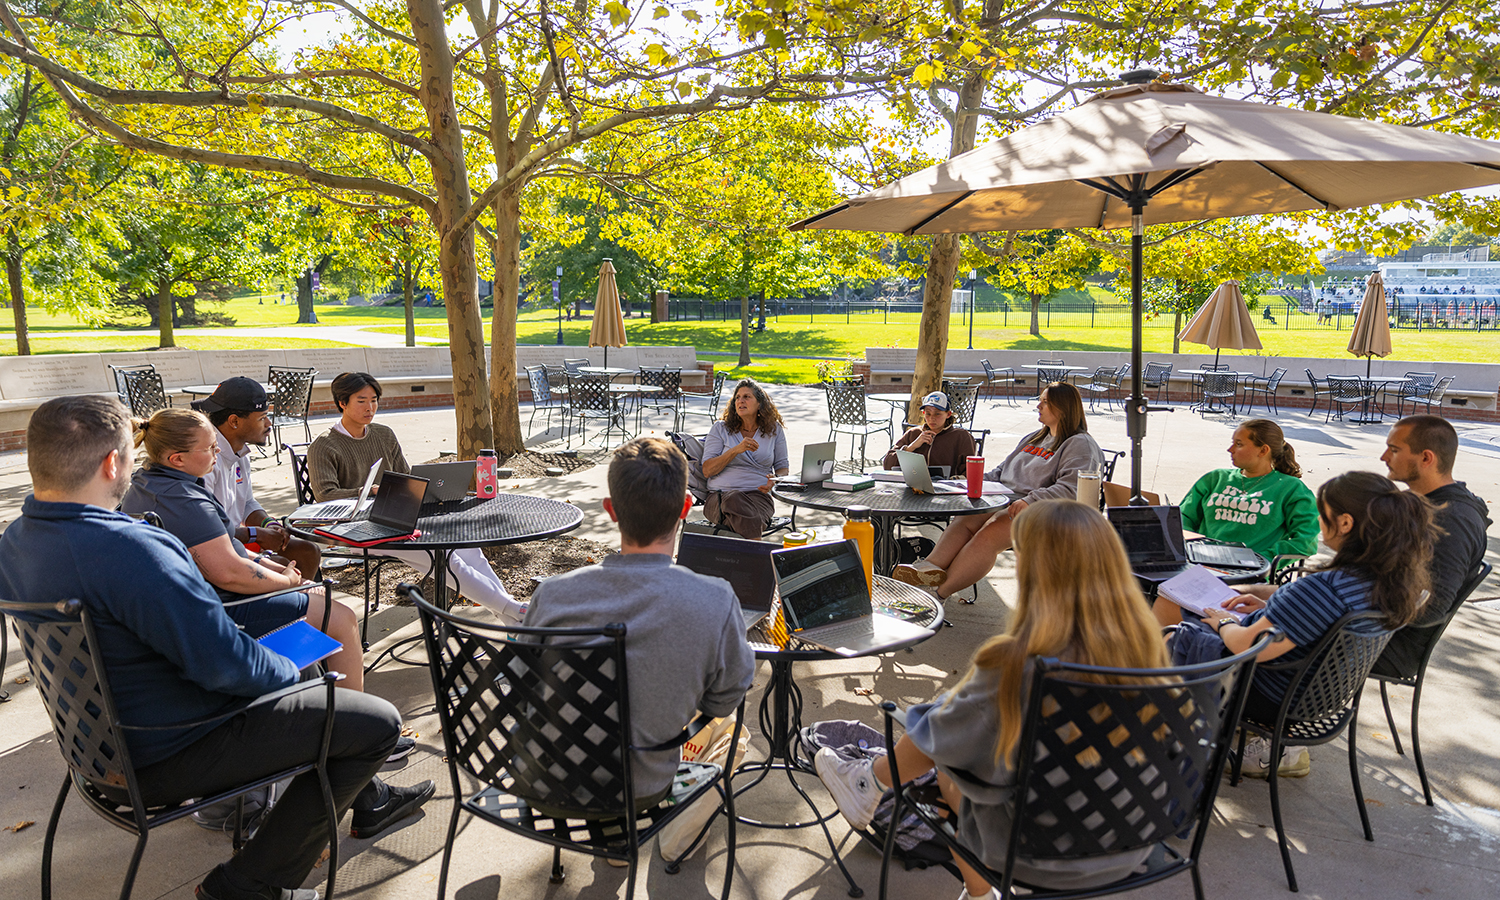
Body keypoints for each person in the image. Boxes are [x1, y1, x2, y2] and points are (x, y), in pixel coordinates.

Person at [0, 396, 433, 900]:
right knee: (370, 720)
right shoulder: (130, 547)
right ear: (112, 463)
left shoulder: (16, 542)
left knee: (316, 683)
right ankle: (248, 886)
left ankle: (368, 797)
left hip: (95, 751)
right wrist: (294, 670)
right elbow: (226, 666)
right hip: (172, 747)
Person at [815, 500, 1172, 896]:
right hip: (1133, 836)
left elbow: (948, 736)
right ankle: (872, 782)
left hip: (1036, 849)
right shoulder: (1150, 652)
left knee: (952, 750)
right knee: (972, 728)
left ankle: (874, 784)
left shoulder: (1018, 663)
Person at [523, 436, 756, 805]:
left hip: (548, 780)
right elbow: (727, 696)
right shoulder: (715, 600)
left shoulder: (551, 595)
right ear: (685, 507)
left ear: (611, 510)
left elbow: (526, 680)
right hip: (642, 788)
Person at [1194, 472, 1433, 778]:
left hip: (1265, 695)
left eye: (1323, 514)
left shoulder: (1325, 589)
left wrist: (1223, 621)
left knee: (1181, 628)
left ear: (1345, 523)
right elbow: (1322, 622)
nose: (1320, 523)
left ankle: (1163, 735)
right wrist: (1274, 605)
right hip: (1316, 698)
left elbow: (1248, 647)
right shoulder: (1391, 582)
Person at [120, 407, 367, 694]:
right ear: (177, 458)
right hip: (218, 613)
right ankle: (357, 720)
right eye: (210, 448)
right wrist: (286, 582)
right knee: (341, 617)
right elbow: (229, 574)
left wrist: (273, 568)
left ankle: (314, 692)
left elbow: (218, 549)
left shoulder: (149, 482)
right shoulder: (185, 501)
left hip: (196, 601)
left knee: (312, 590)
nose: (216, 453)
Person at [306, 372, 527, 626]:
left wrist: (423, 489)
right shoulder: (324, 445)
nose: (370, 407)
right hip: (355, 528)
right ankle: (514, 609)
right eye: (361, 400)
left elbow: (406, 477)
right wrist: (370, 492)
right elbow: (325, 495)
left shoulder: (384, 434)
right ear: (342, 403)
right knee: (441, 555)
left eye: (374, 400)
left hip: (398, 516)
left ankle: (511, 619)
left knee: (467, 545)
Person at [893, 382, 1102, 601]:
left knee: (988, 533)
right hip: (1008, 500)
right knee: (966, 518)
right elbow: (1002, 471)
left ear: (1064, 407)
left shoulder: (1079, 444)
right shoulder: (1035, 437)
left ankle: (937, 595)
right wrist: (967, 484)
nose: (1038, 405)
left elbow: (1072, 487)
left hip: (1044, 513)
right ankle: (929, 569)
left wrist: (1032, 500)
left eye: (1046, 402)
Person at [1374, 415, 1491, 678]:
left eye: (1394, 450)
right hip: (1368, 625)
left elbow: (1430, 608)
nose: (1384, 457)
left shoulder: (1452, 520)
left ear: (1426, 458)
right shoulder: (1421, 503)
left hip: (1390, 643)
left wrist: (1340, 606)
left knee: (1270, 635)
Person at [194, 376, 322, 577]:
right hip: (216, 550)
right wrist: (256, 534)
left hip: (237, 540)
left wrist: (268, 525)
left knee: (308, 550)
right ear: (234, 421)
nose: (269, 424)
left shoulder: (240, 453)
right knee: (278, 565)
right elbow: (209, 530)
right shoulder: (205, 460)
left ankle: (303, 603)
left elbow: (246, 503)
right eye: (262, 418)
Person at [1178, 418, 1319, 566]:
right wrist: (1192, 548)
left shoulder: (1291, 489)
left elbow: (1306, 541)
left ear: (1263, 450)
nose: (1230, 449)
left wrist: (1261, 560)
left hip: (1250, 572)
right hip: (1199, 562)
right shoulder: (1215, 478)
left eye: (1238, 444)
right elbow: (1182, 517)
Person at [701, 378, 789, 540]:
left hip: (758, 496)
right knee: (736, 500)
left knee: (742, 517)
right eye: (737, 397)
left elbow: (782, 466)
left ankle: (742, 556)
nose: (740, 401)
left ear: (759, 404)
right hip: (721, 497)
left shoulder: (774, 430)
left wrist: (775, 480)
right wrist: (736, 450)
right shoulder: (720, 429)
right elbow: (707, 470)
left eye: (747, 397)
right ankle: (757, 554)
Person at [880, 390, 976, 475]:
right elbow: (888, 465)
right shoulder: (913, 433)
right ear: (923, 413)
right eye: (928, 413)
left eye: (937, 413)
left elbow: (971, 471)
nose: (932, 418)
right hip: (914, 488)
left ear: (948, 414)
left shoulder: (961, 436)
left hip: (947, 490)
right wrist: (911, 447)